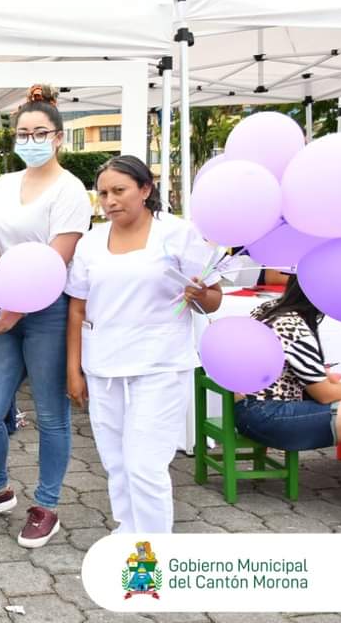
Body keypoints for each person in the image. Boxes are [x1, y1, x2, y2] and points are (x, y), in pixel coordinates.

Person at [65, 155, 223, 534]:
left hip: (161, 363)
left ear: (145, 189)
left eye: (119, 191)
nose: (110, 201)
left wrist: (199, 294)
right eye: (103, 193)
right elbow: (77, 308)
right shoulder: (91, 242)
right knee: (115, 459)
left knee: (145, 463)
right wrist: (74, 369)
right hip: (104, 364)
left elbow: (214, 297)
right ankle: (127, 528)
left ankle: (153, 546)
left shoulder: (177, 233)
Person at [0, 85, 93, 548]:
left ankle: (46, 504)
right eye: (23, 132)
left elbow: (58, 256)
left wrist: (17, 309)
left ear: (59, 137)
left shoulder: (70, 190)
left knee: (50, 413)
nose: (31, 139)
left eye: (40, 132)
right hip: (2, 310)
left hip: (47, 312)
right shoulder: (2, 185)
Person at [234, 276, 341, 471]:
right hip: (267, 416)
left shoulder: (270, 308)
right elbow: (325, 395)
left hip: (248, 408)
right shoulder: (294, 327)